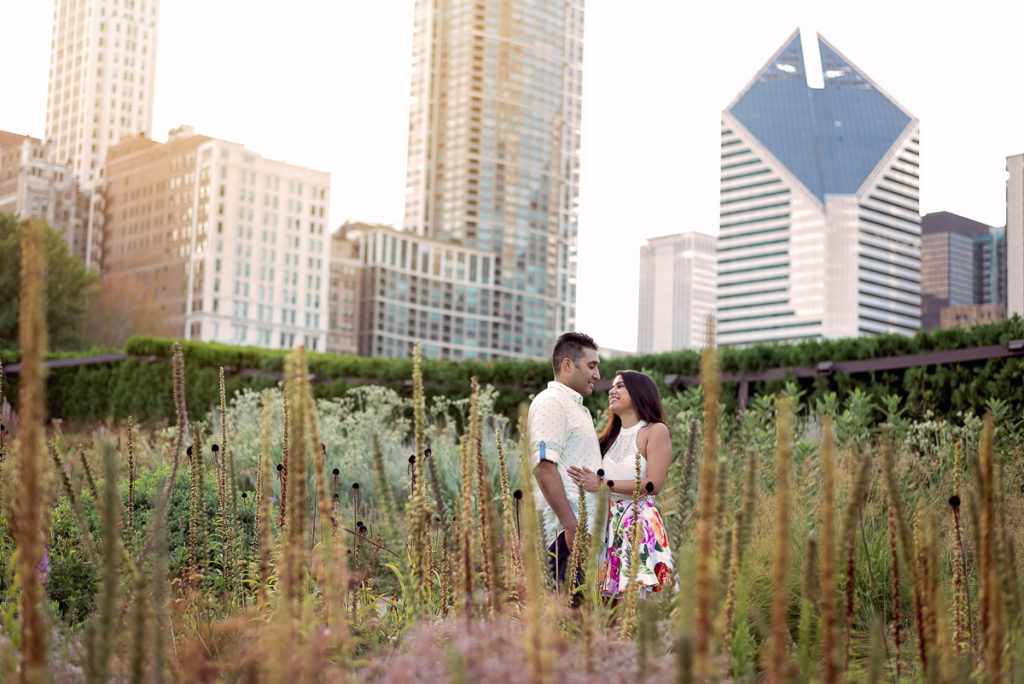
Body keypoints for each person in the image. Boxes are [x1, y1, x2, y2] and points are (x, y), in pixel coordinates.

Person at [568, 370, 676, 600]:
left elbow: (653, 484)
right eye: (612, 386)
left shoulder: (655, 430)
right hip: (608, 527)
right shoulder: (610, 437)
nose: (611, 391)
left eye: (620, 387)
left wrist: (602, 484)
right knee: (607, 608)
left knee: (629, 612)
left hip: (637, 524)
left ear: (639, 393)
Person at [528, 332, 602, 585]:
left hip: (580, 535)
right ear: (568, 364)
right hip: (565, 536)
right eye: (592, 366)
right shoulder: (552, 402)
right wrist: (572, 527)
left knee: (581, 619)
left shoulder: (577, 408)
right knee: (567, 618)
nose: (598, 375)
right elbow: (544, 467)